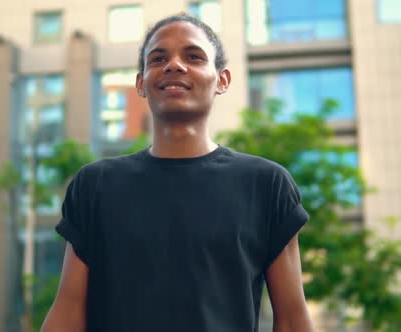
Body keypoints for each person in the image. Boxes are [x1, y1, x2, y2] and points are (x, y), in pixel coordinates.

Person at [41, 13, 314, 332]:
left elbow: (293, 317)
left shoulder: (266, 185)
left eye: (193, 56)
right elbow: (69, 311)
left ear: (222, 80)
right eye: (158, 58)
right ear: (141, 83)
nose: (174, 65)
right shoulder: (95, 185)